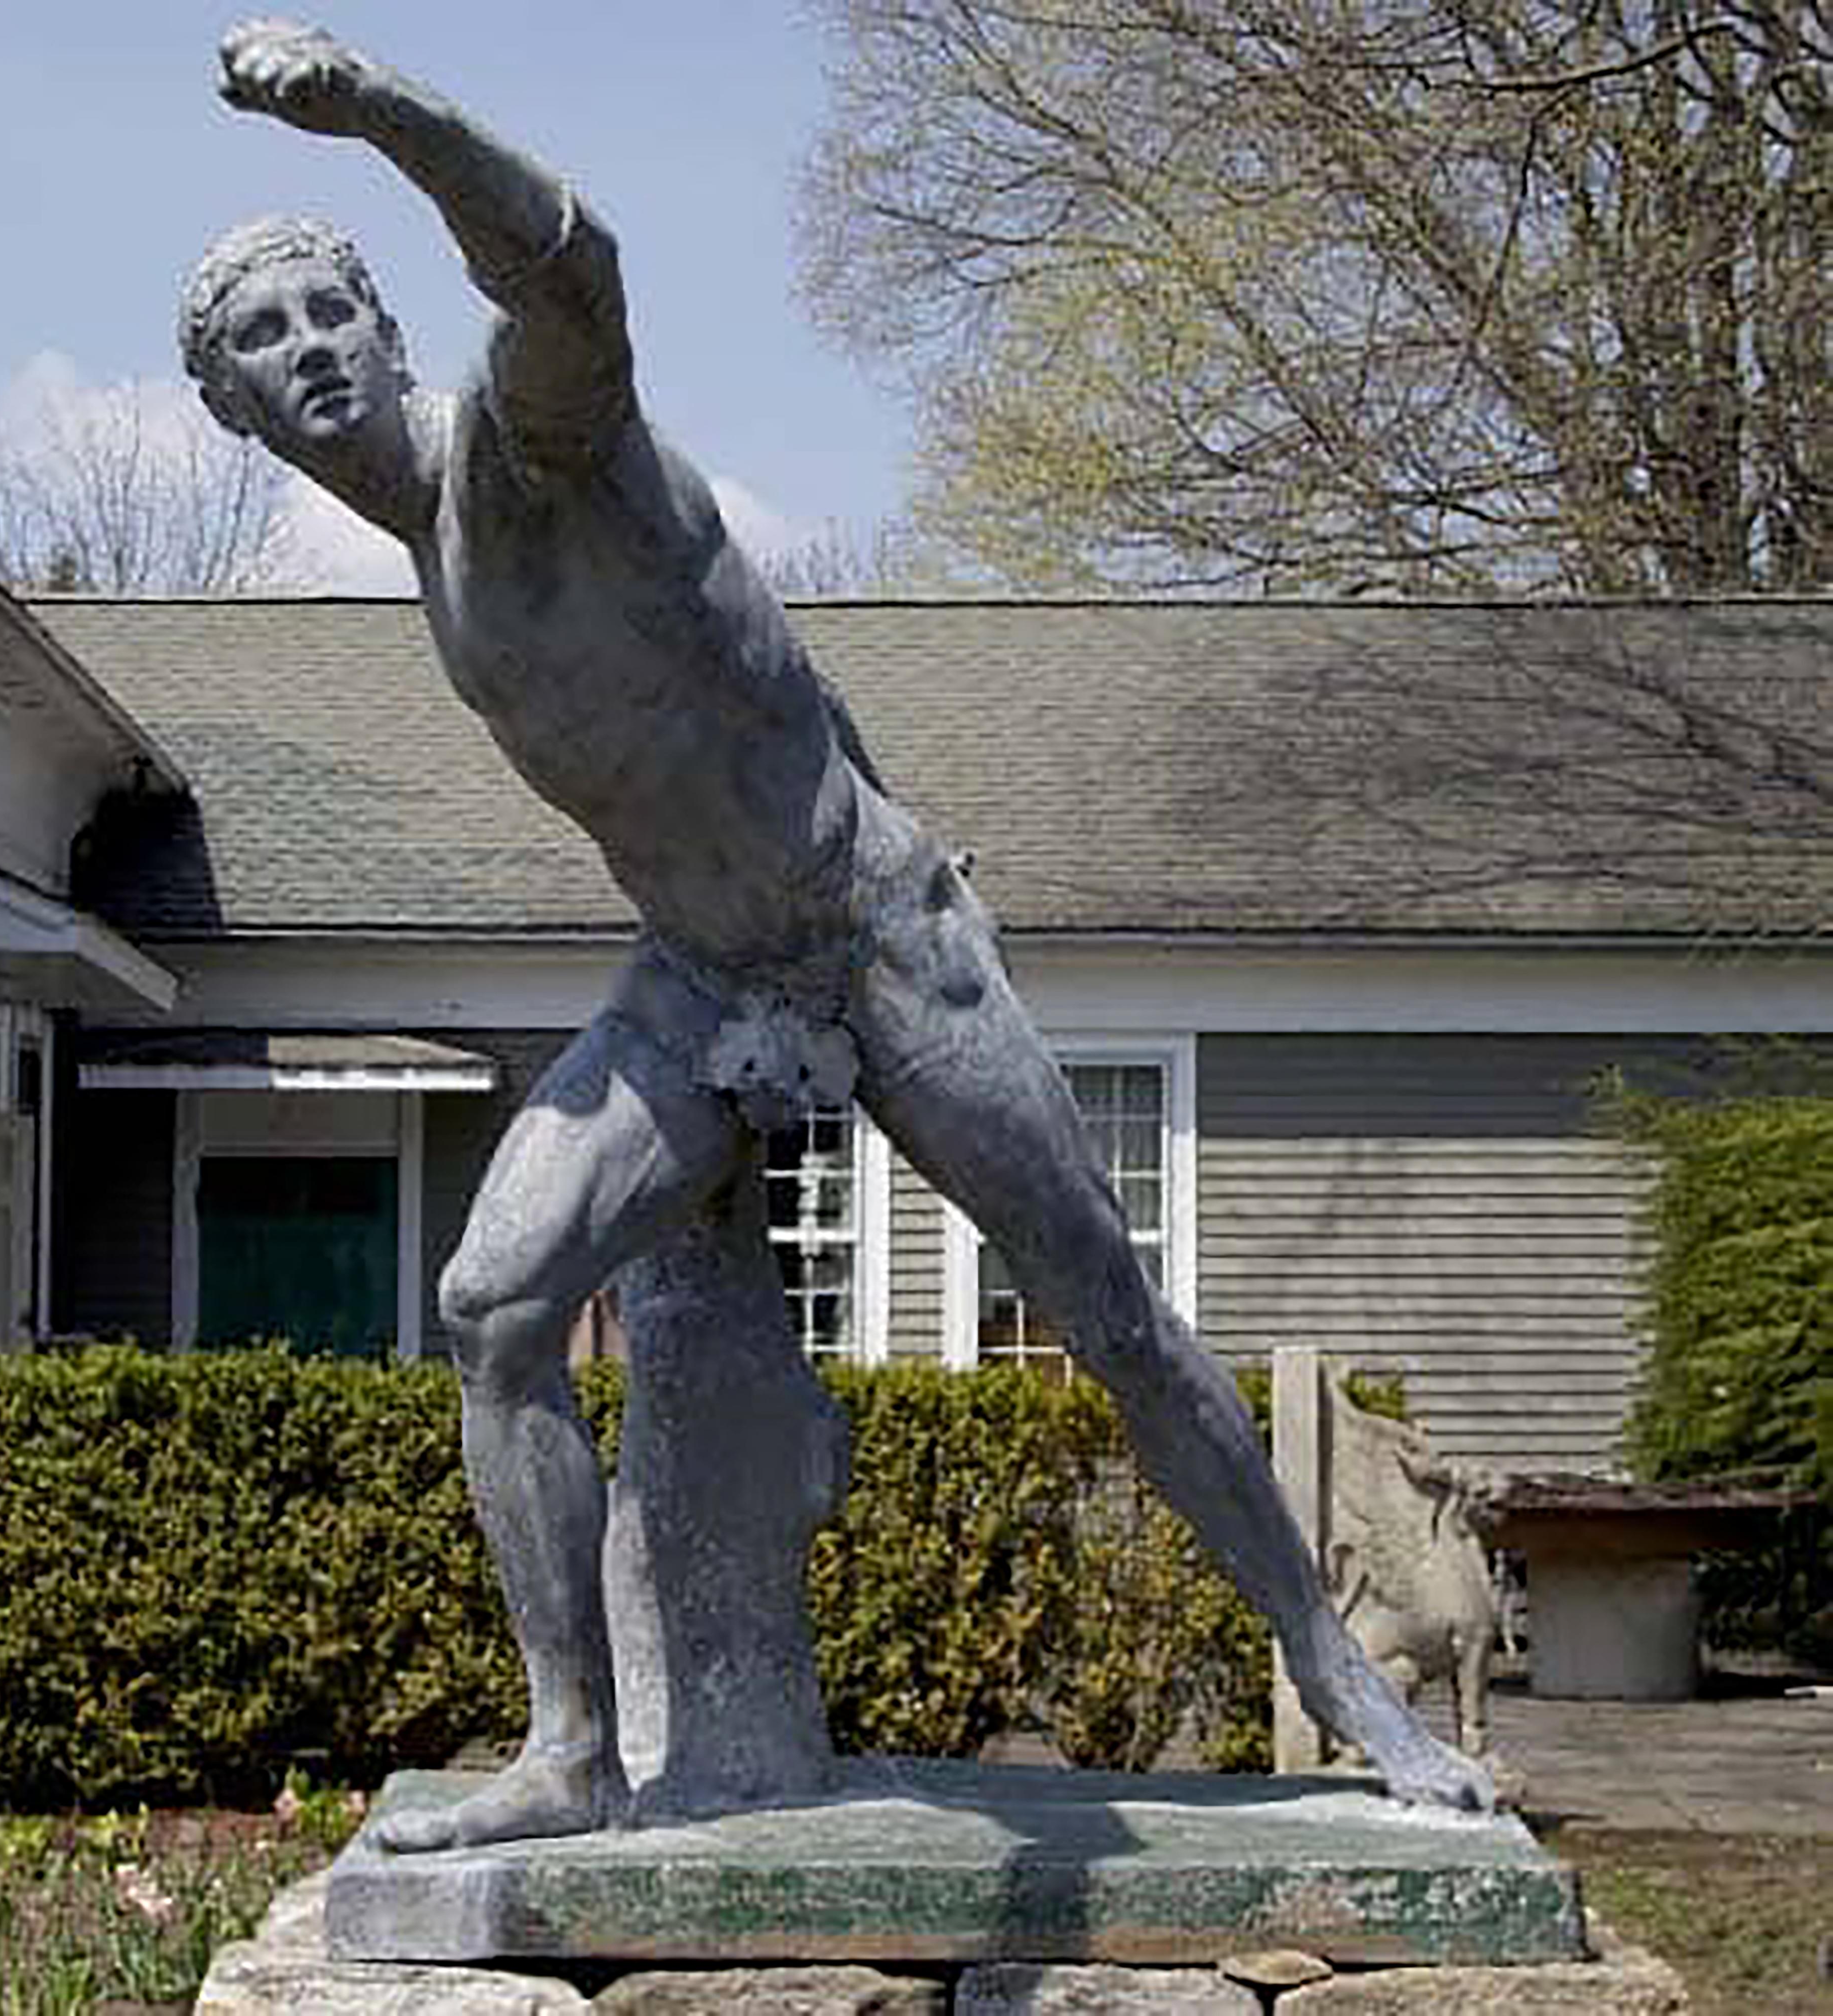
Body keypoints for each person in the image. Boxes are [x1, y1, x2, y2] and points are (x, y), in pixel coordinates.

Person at [187, 19, 1493, 1852]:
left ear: (389, 330)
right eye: (266, 341)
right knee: (491, 1307)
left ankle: (1341, 1677)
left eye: (333, 311)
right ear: (238, 414)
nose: (312, 348)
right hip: (699, 977)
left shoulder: (540, 449)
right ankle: (574, 1750)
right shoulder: (440, 575)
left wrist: (373, 110)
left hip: (880, 940)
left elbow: (570, 266)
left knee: (1108, 1313)